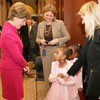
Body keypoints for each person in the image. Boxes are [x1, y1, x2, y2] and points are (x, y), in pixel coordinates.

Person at [65, 1, 100, 100]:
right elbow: (82, 57)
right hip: (91, 81)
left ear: (90, 16)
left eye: (83, 17)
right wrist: (69, 73)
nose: (82, 22)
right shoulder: (90, 36)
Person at [36, 4, 70, 92]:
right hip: (45, 52)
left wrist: (57, 40)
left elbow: (67, 37)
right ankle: (49, 94)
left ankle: (58, 94)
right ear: (43, 14)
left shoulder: (59, 23)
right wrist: (40, 41)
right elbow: (37, 39)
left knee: (57, 73)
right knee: (47, 74)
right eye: (47, 15)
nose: (48, 17)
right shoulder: (40, 25)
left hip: (58, 53)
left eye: (51, 15)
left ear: (54, 15)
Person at [0, 2, 30, 100]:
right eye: (23, 20)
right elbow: (16, 55)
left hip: (12, 67)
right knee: (14, 96)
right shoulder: (9, 33)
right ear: (15, 17)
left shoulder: (10, 28)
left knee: (13, 96)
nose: (24, 23)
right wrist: (25, 65)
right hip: (11, 68)